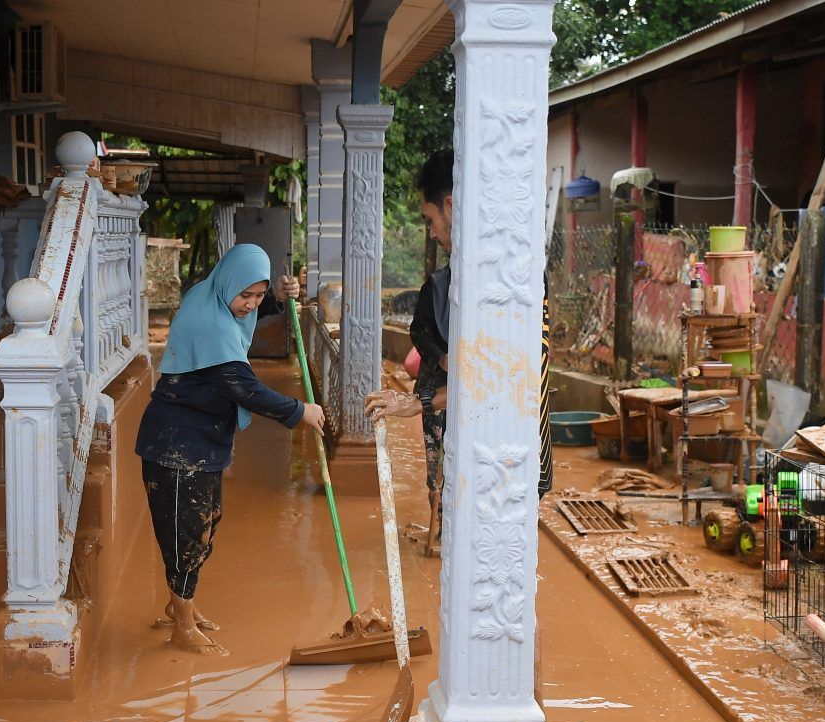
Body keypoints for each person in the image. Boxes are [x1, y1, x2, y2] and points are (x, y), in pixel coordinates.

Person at [135, 243, 325, 657]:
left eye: (258, 295)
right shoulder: (212, 326)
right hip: (177, 445)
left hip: (200, 439)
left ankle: (178, 603)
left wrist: (277, 298)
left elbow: (249, 313)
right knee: (187, 535)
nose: (251, 305)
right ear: (230, 284)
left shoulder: (214, 296)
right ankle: (181, 626)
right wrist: (300, 410)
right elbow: (245, 389)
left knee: (206, 524)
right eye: (247, 295)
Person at [365, 149, 554, 516]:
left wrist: (412, 403)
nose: (432, 232)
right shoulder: (487, 269)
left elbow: (493, 379)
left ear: (450, 205)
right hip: (503, 460)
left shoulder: (504, 280)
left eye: (430, 219)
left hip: (504, 465)